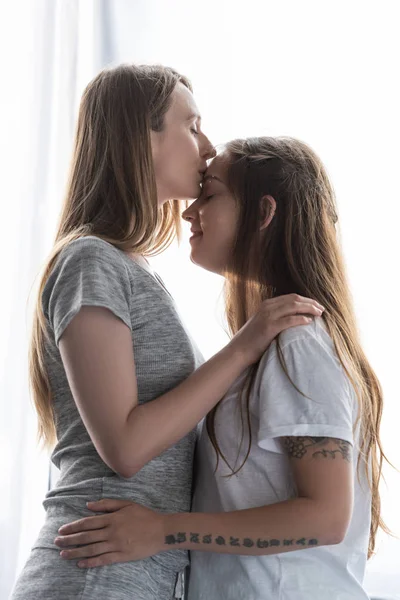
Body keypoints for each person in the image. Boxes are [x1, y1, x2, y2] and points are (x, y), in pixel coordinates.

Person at [11, 64, 322, 600]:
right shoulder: (92, 261)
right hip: (96, 574)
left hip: (136, 574)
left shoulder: (132, 269)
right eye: (192, 124)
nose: (207, 145)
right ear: (142, 137)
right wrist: (246, 344)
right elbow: (126, 447)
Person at [54, 137, 390, 600]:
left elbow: (326, 517)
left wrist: (165, 530)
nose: (190, 212)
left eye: (209, 195)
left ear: (263, 213)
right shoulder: (267, 342)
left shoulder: (300, 343)